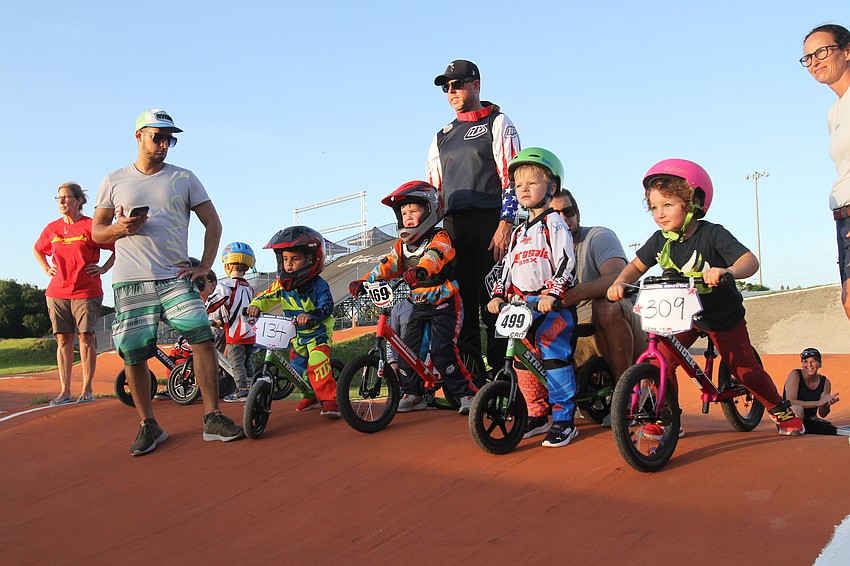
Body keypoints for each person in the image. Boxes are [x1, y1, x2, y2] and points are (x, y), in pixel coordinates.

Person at [606, 158, 805, 436]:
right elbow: (635, 266)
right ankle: (667, 417)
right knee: (660, 360)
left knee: (744, 370)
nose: (659, 214)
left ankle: (778, 408)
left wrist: (728, 270)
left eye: (668, 205)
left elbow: (750, 261)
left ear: (692, 203)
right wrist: (620, 282)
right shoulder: (659, 239)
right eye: (653, 207)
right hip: (683, 315)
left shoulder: (712, 234)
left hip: (721, 314)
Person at [92, 108, 243, 456]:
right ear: (139, 136)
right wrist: (119, 229)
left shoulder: (184, 178)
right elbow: (97, 232)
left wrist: (204, 267)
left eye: (169, 139)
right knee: (133, 354)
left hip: (175, 277)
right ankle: (149, 424)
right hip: (130, 282)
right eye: (158, 137)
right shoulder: (114, 180)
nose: (164, 144)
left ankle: (213, 417)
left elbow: (213, 224)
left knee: (203, 338)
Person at [349, 181, 478, 415]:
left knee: (442, 351)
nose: (408, 217)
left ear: (429, 210)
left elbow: (435, 255)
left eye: (414, 211)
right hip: (419, 303)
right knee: (407, 350)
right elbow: (386, 266)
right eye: (404, 212)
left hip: (445, 303)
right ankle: (414, 393)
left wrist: (422, 269)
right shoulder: (402, 246)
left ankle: (466, 393)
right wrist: (365, 281)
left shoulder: (440, 237)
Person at [427, 59, 521, 373]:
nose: (451, 91)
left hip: (490, 222)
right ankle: (470, 380)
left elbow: (513, 178)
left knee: (493, 300)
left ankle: (501, 375)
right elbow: (434, 192)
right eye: (446, 87)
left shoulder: (498, 121)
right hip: (454, 227)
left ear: (475, 85)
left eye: (457, 84)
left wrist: (506, 223)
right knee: (460, 305)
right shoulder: (441, 136)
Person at [487, 148, 579, 447]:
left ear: (551, 187)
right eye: (518, 185)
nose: (523, 189)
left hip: (550, 305)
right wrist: (498, 294)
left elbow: (565, 259)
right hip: (522, 305)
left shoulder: (554, 222)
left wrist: (552, 292)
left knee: (553, 357)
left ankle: (564, 419)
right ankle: (536, 413)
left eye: (532, 183)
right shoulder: (517, 233)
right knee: (522, 360)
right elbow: (508, 266)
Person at [550, 189, 646, 381]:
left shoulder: (598, 236)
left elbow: (618, 276)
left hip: (620, 322)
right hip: (571, 330)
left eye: (568, 212)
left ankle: (624, 392)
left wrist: (567, 297)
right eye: (554, 215)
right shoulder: (541, 252)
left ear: (577, 214)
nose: (562, 218)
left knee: (605, 307)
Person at [33, 182, 115, 405]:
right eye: (59, 197)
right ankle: (64, 391)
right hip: (57, 292)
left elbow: (117, 246)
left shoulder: (91, 226)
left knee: (86, 337)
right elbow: (38, 249)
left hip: (86, 290)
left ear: (79, 201)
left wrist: (104, 268)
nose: (62, 201)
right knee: (63, 339)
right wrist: (45, 268)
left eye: (67, 197)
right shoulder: (52, 228)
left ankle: (87, 389)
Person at [246, 226, 340, 417]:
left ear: (311, 259)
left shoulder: (319, 285)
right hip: (296, 335)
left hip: (318, 334)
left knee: (317, 363)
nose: (288, 264)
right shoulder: (282, 284)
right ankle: (311, 394)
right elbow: (266, 297)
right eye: (285, 259)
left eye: (295, 259)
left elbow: (327, 306)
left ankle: (331, 400)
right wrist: (255, 305)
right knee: (296, 368)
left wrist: (312, 316)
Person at [801, 25, 850, 322]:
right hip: (842, 218)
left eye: (822, 51)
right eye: (807, 57)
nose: (814, 61)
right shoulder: (834, 112)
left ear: (847, 51)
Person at [206, 242, 257, 402]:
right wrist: (218, 322)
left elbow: (212, 303)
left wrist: (201, 309)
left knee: (236, 363)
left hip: (236, 335)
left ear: (226, 266)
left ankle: (242, 390)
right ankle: (254, 386)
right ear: (247, 267)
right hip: (250, 333)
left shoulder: (226, 286)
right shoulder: (248, 287)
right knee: (247, 362)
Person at [784, 348, 849, 436]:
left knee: (832, 430)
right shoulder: (795, 375)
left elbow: (823, 413)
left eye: (813, 361)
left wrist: (826, 404)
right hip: (789, 418)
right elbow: (790, 401)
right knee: (797, 409)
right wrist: (818, 403)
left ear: (820, 364)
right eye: (805, 361)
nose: (809, 365)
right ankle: (794, 441)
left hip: (810, 419)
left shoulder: (825, 382)